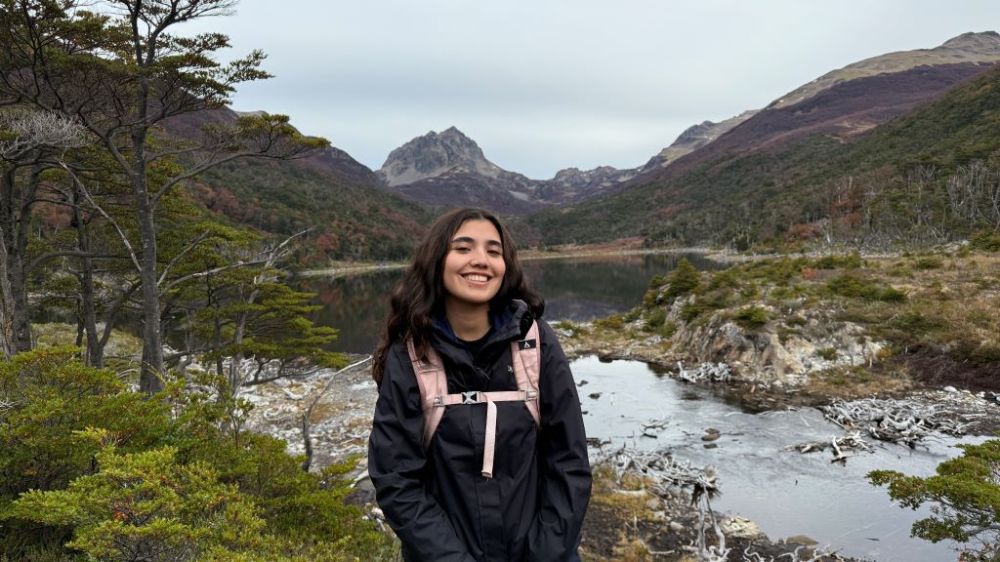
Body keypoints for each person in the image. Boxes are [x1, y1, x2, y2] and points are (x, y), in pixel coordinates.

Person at [368, 208, 592, 562]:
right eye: (463, 248)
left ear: (506, 266)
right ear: (436, 260)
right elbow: (397, 480)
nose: (481, 261)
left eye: (493, 251)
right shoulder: (411, 356)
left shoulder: (534, 342)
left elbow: (569, 462)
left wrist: (544, 554)